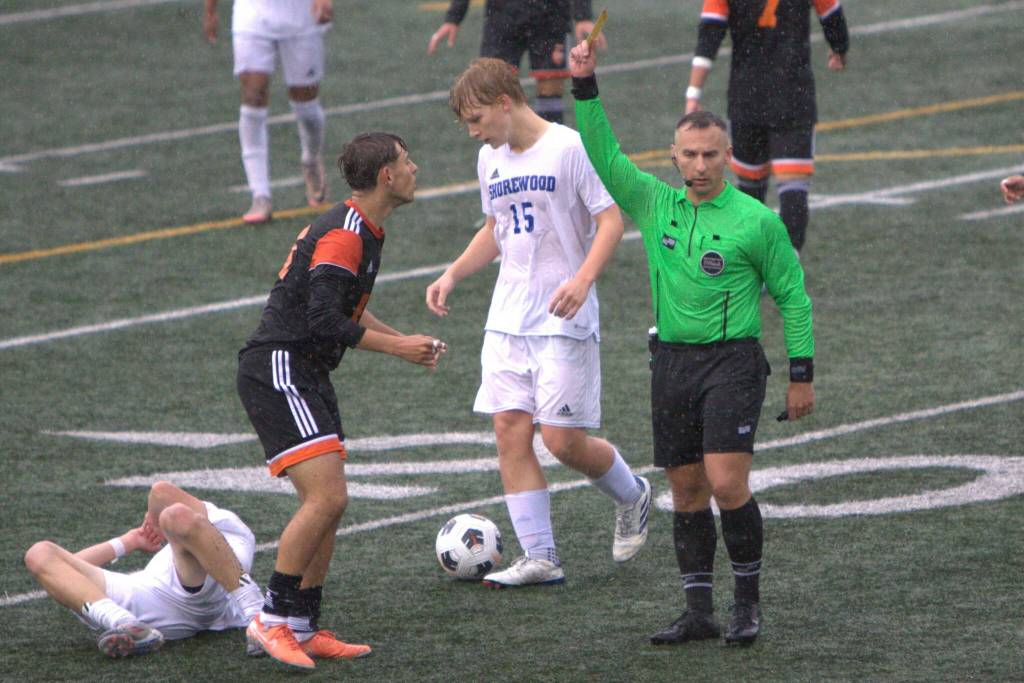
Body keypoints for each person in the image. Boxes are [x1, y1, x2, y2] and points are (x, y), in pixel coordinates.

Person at [569, 40, 815, 645]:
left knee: (727, 483)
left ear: (728, 157)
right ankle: (699, 611)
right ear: (673, 158)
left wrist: (801, 373)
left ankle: (747, 606)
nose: (700, 165)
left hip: (733, 362)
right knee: (684, 490)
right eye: (690, 156)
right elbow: (602, 153)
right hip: (672, 362)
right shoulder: (654, 204)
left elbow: (793, 296)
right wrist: (585, 83)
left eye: (711, 155)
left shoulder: (757, 221)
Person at [426, 58, 652, 588]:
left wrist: (583, 280)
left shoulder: (570, 147)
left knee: (562, 442)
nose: (474, 131)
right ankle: (540, 557)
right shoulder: (490, 159)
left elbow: (611, 221)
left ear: (506, 101)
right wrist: (453, 273)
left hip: (562, 314)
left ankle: (633, 492)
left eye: (477, 117)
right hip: (508, 315)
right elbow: (496, 228)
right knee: (509, 430)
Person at [237, 131, 444, 670]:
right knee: (325, 500)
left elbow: (341, 309)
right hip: (280, 367)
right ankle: (271, 619)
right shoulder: (346, 233)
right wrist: (399, 347)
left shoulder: (363, 227)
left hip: (305, 369)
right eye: (407, 160)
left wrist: (402, 341)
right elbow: (322, 319)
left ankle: (302, 627)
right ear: (386, 176)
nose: (415, 167)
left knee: (333, 502)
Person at [23, 481, 266, 659]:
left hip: (209, 580)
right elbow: (64, 573)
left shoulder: (225, 526)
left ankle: (257, 616)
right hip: (151, 600)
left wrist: (153, 521)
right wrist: (127, 542)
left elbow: (162, 494)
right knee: (38, 554)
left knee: (174, 511)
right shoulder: (163, 553)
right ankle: (127, 625)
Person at [683, 0, 850, 254]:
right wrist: (839, 47)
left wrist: (693, 92)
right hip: (792, 93)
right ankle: (787, 265)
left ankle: (753, 263)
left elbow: (710, 33)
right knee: (793, 183)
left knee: (751, 187)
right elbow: (831, 13)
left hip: (747, 96)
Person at [203, 0, 334, 224]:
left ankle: (311, 160)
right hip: (253, 13)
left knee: (306, 107)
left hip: (301, 14)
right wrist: (210, 10)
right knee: (253, 95)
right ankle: (260, 194)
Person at [427, 1, 607, 125]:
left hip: (551, 15)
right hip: (502, 15)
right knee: (493, 88)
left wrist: (582, 15)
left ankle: (550, 156)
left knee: (550, 88)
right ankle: (506, 157)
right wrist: (454, 16)